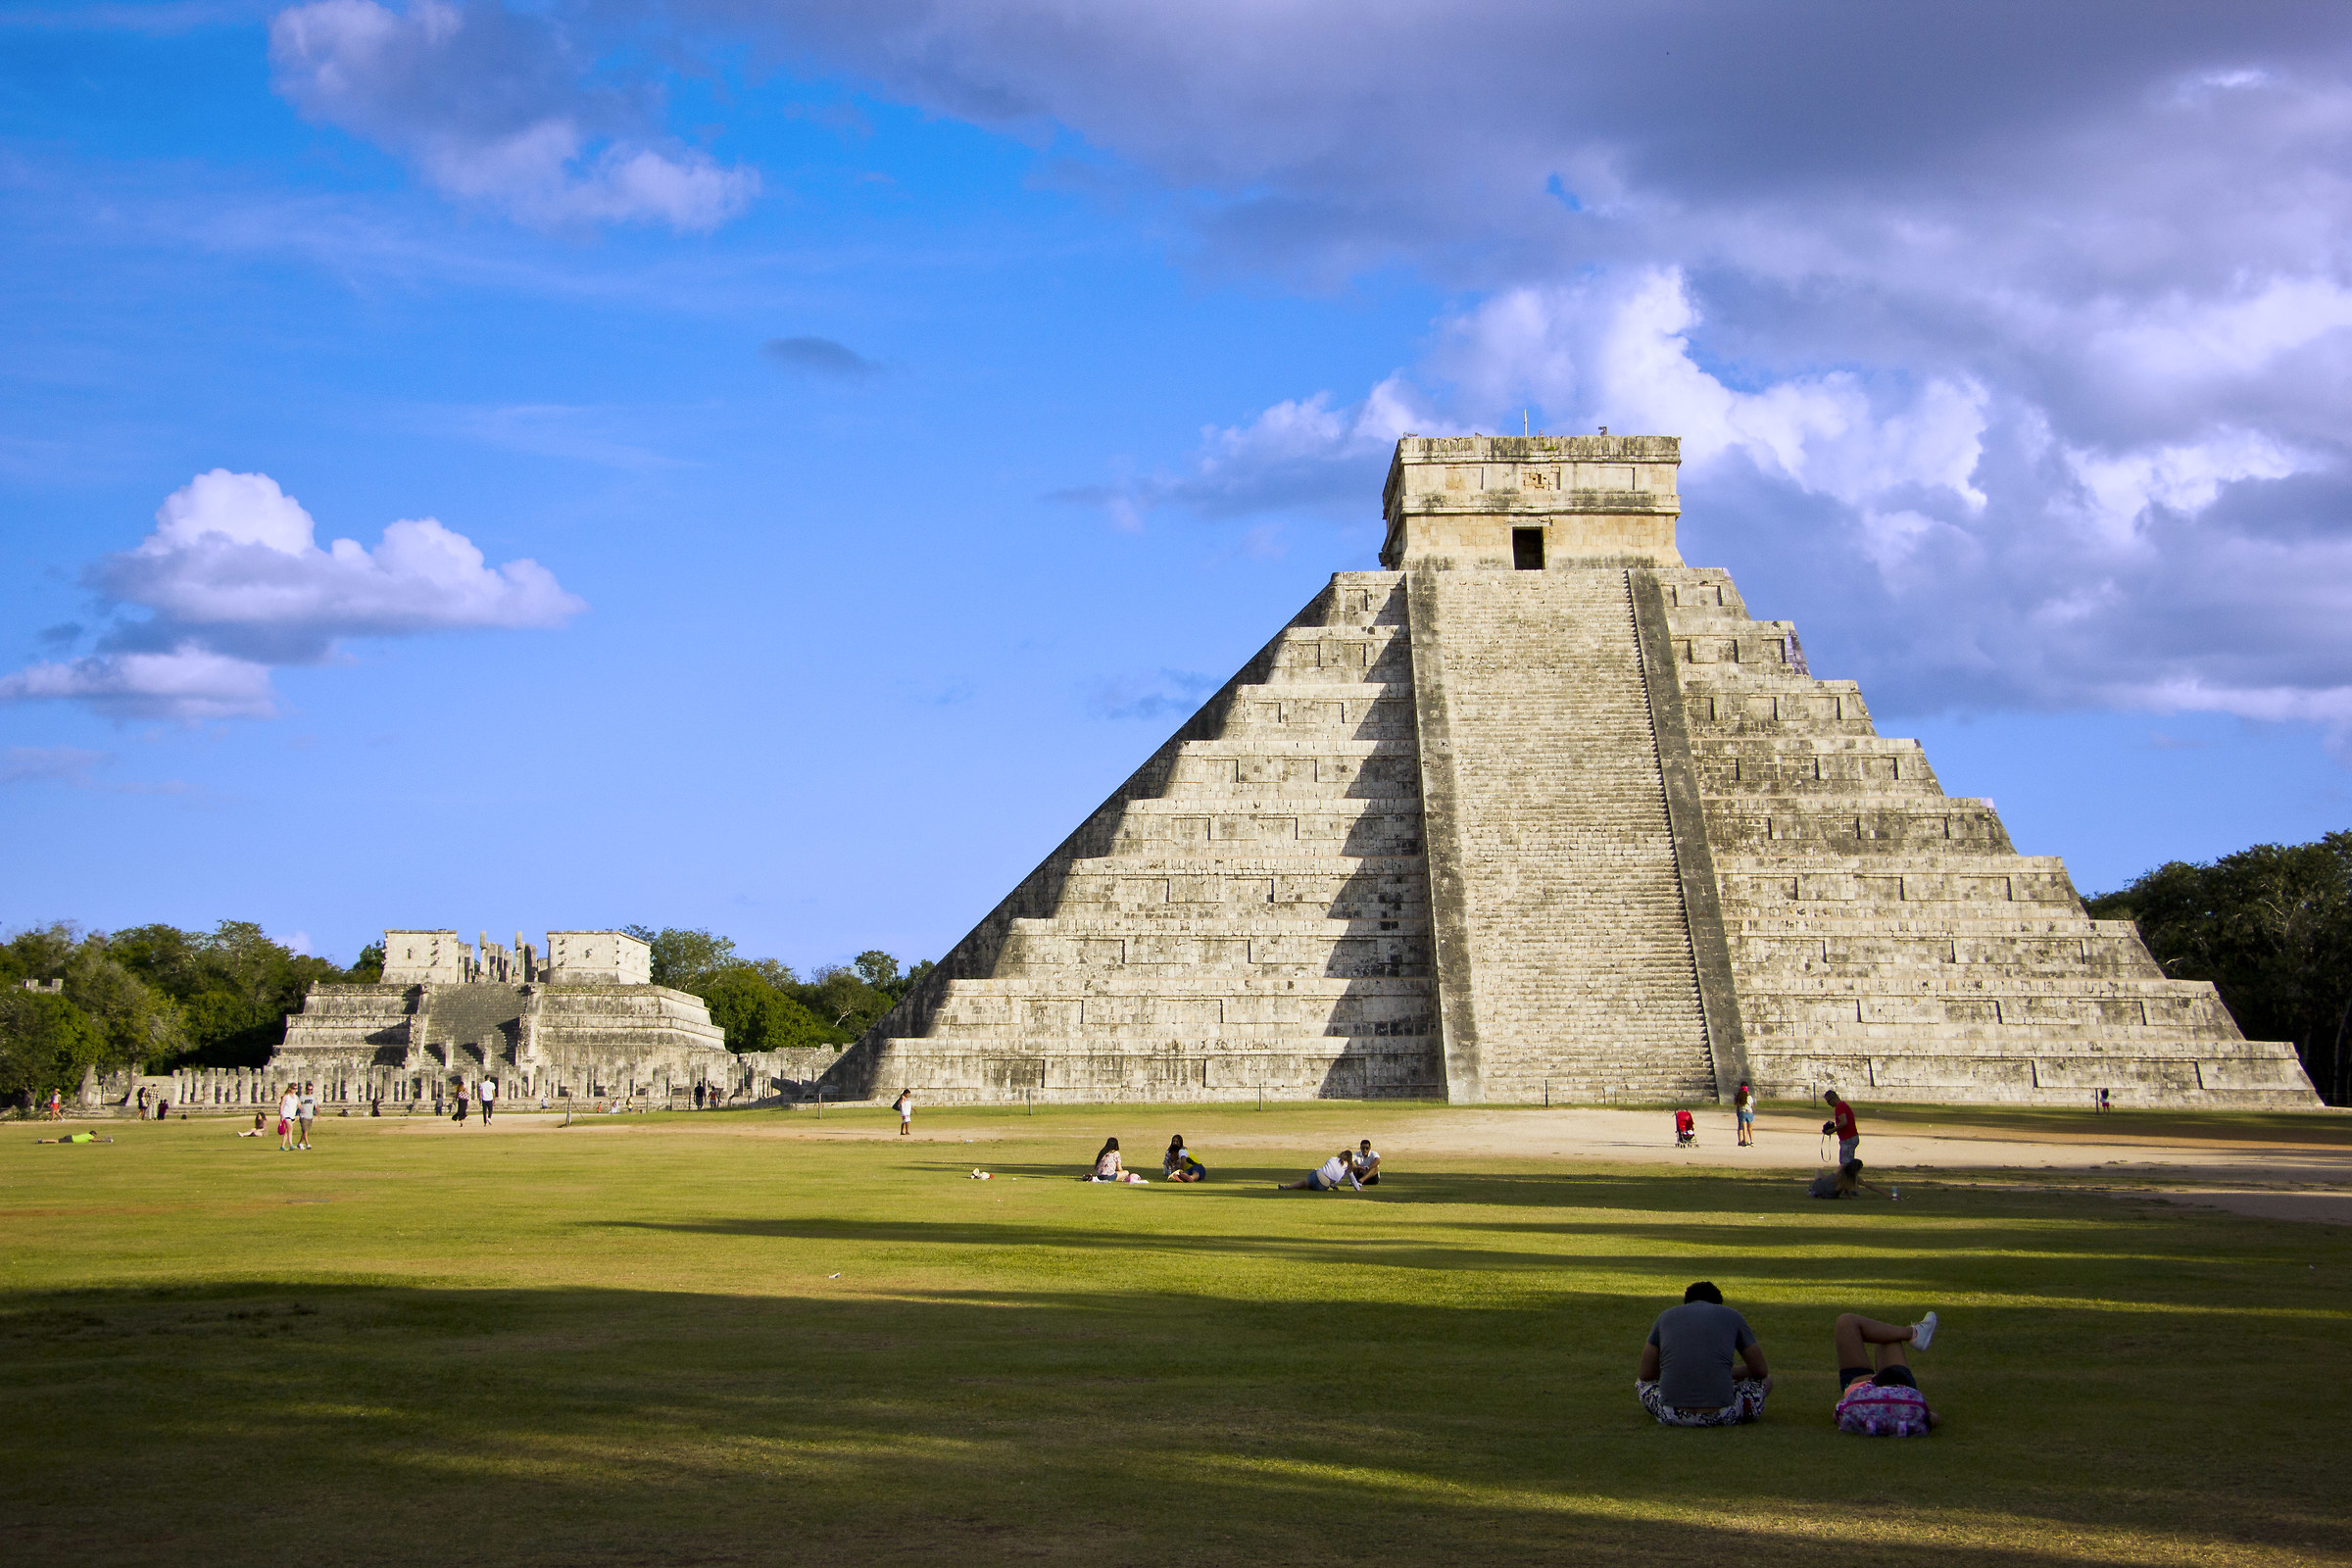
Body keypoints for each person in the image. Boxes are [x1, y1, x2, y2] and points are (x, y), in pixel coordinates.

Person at [1636, 1281, 1772, 1427]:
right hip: (1721, 1415)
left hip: (1671, 1414)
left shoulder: (1665, 1316)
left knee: (1641, 1384)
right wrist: (1727, 1373)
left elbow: (1645, 1375)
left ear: (1686, 1303)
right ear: (1719, 1304)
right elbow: (1761, 1370)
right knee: (1766, 1381)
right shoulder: (1733, 1316)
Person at [1833, 1311, 1940, 1435]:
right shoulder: (1904, 1401)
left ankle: (1913, 1333)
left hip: (1862, 1387)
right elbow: (1930, 1415)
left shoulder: (1858, 1399)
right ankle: (1914, 1333)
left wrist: (1865, 1381)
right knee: (1887, 1337)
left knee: (1848, 1323)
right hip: (1896, 1383)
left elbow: (1838, 1413)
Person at [1278, 1151, 1363, 1192]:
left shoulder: (1333, 1159)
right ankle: (1295, 1188)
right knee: (1310, 1188)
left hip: (1316, 1174)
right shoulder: (1347, 1167)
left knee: (1306, 1183)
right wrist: (1358, 1189)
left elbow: (1327, 1171)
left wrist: (1332, 1185)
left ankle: (1287, 1187)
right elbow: (1353, 1180)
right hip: (1324, 1184)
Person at [1807, 1158, 1892, 1200]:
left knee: (1818, 1171)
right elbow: (1870, 1186)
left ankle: (1814, 1191)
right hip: (1832, 1195)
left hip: (1821, 1187)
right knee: (1826, 1180)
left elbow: (1832, 1177)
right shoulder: (1854, 1178)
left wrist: (1846, 1164)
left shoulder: (1841, 1170)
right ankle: (1816, 1192)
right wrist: (1885, 1193)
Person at [1822, 1090, 1859, 1165]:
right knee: (1848, 1163)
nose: (1828, 1104)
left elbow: (1844, 1122)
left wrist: (1832, 1130)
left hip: (1848, 1137)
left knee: (1845, 1164)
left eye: (1828, 1101)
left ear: (1833, 1098)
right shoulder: (1843, 1105)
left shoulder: (1840, 1106)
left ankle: (1847, 1177)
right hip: (1850, 1137)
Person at [277, 1085, 299, 1152]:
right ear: (290, 1088)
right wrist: (281, 1116)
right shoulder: (286, 1096)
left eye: (296, 1088)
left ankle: (282, 1145)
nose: (295, 1090)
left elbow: (298, 1105)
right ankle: (291, 1144)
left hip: (292, 1115)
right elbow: (282, 1106)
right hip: (286, 1115)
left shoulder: (295, 1097)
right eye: (294, 1088)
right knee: (290, 1129)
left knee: (287, 1131)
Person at [1734, 1080, 1755, 1147]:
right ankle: (1751, 1140)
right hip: (1749, 1112)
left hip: (1741, 1111)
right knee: (1749, 1128)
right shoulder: (1749, 1097)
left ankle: (1743, 1140)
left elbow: (1737, 1104)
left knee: (1742, 1127)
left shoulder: (1738, 1096)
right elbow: (1752, 1105)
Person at [297, 1082, 317, 1150]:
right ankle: (307, 1144)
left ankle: (299, 1143)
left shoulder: (313, 1097)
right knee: (305, 1131)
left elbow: (315, 1106)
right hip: (303, 1116)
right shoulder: (302, 1097)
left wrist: (318, 1113)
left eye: (311, 1089)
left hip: (310, 1116)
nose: (309, 1091)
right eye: (308, 1089)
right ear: (306, 1089)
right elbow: (298, 1105)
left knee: (305, 1132)